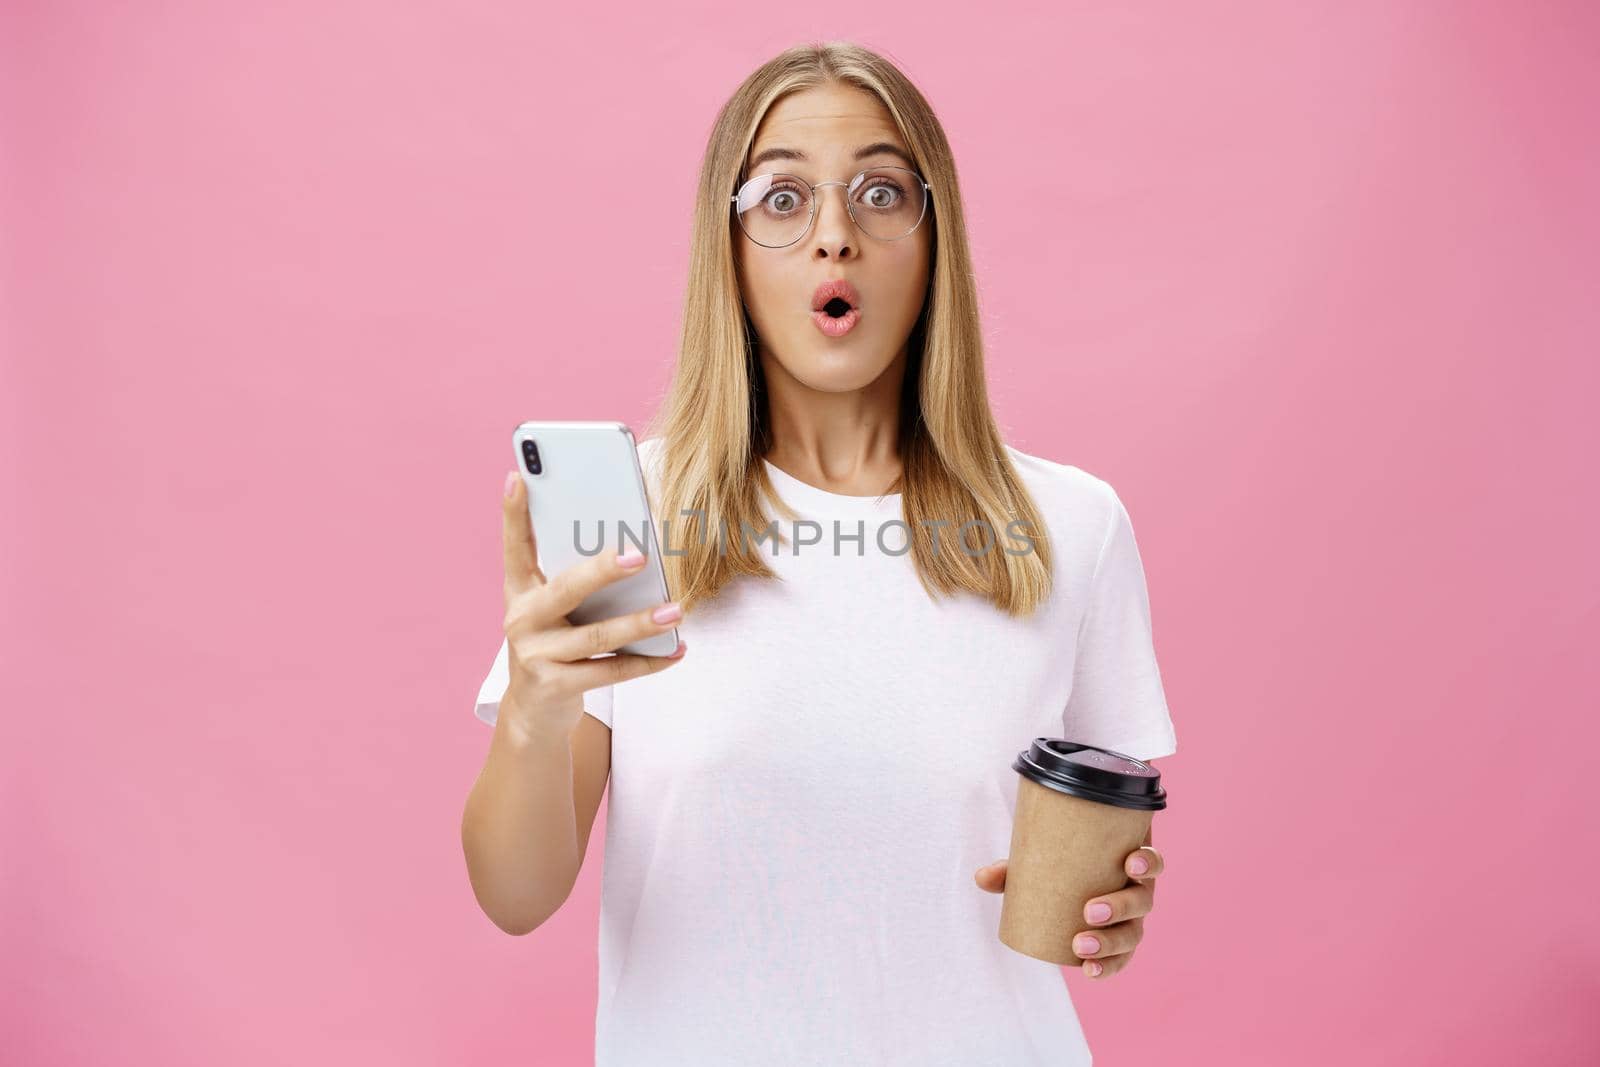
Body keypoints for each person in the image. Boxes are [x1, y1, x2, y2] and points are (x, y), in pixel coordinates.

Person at [461, 40, 1177, 1067]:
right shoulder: (637, 518)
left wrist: (1113, 904)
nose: (833, 236)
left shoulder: (1071, 524)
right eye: (783, 199)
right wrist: (535, 707)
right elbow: (515, 894)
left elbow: (1099, 845)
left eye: (881, 192)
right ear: (732, 248)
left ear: (933, 241)